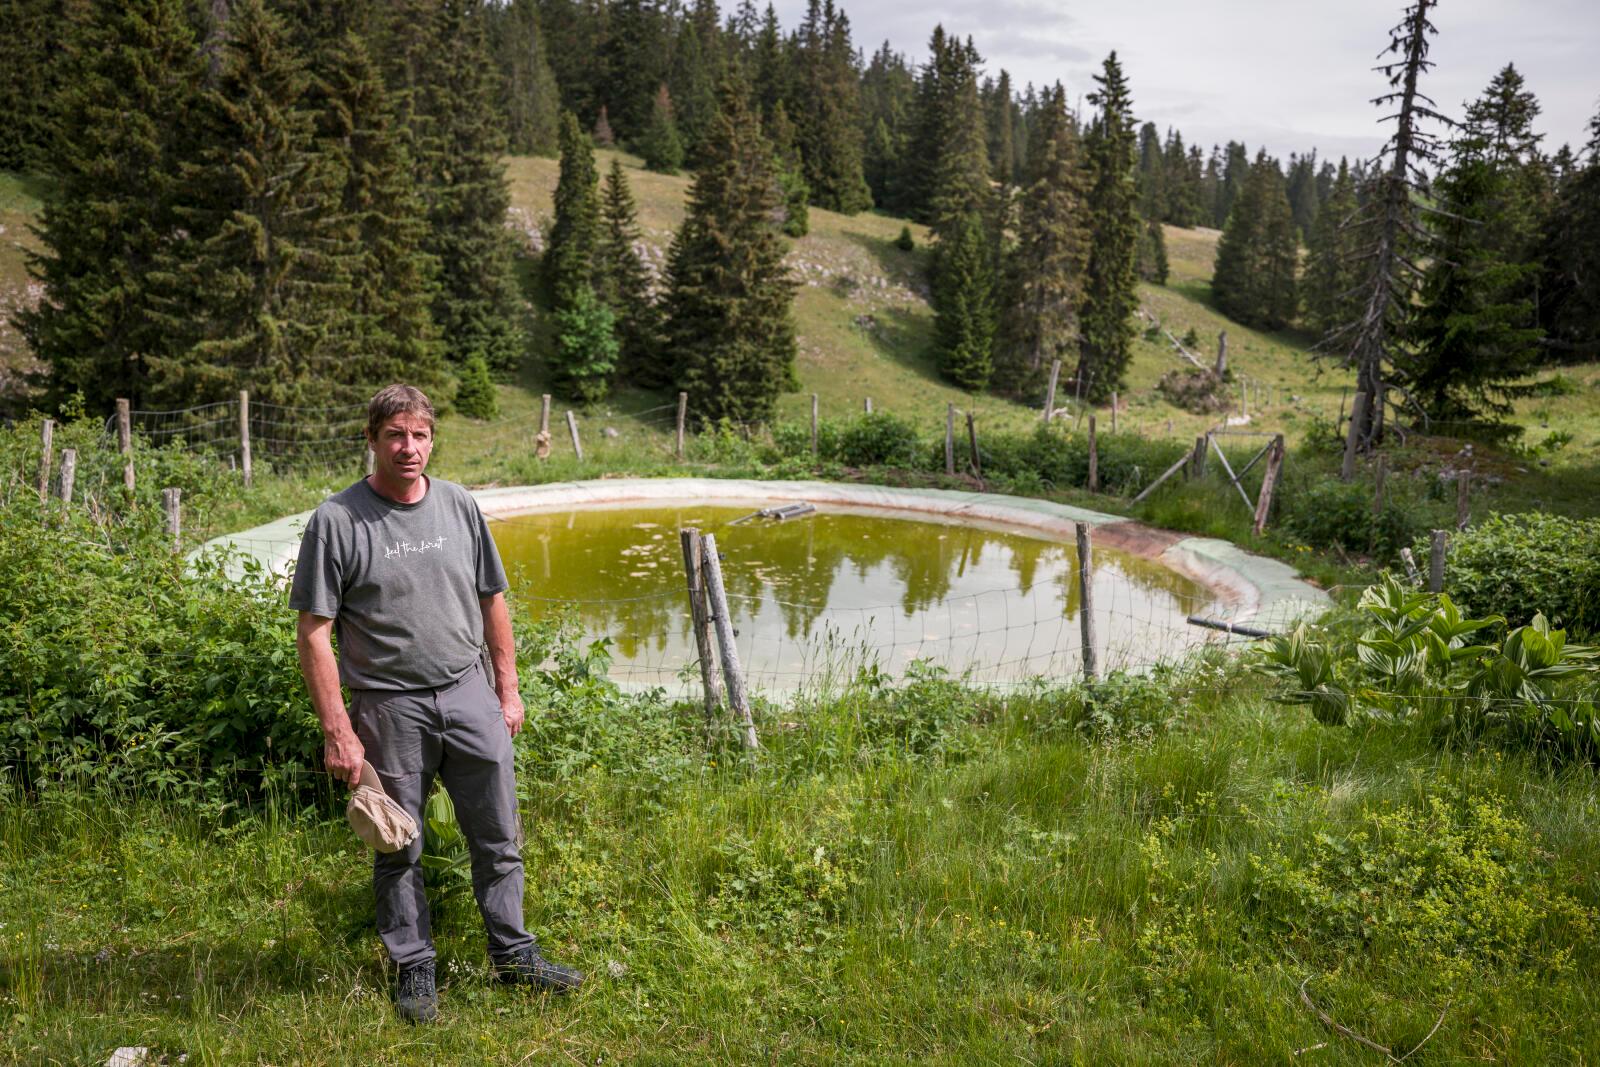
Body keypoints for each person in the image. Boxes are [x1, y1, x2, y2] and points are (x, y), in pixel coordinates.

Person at [291, 383, 582, 1023]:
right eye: (395, 434)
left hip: (468, 692)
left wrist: (507, 690)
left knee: (499, 836)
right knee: (398, 845)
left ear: (432, 440)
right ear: (371, 441)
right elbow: (314, 632)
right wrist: (339, 731)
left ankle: (514, 958)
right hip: (388, 709)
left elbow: (492, 601)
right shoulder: (337, 521)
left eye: (420, 435)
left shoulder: (459, 506)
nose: (409, 447)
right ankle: (414, 967)